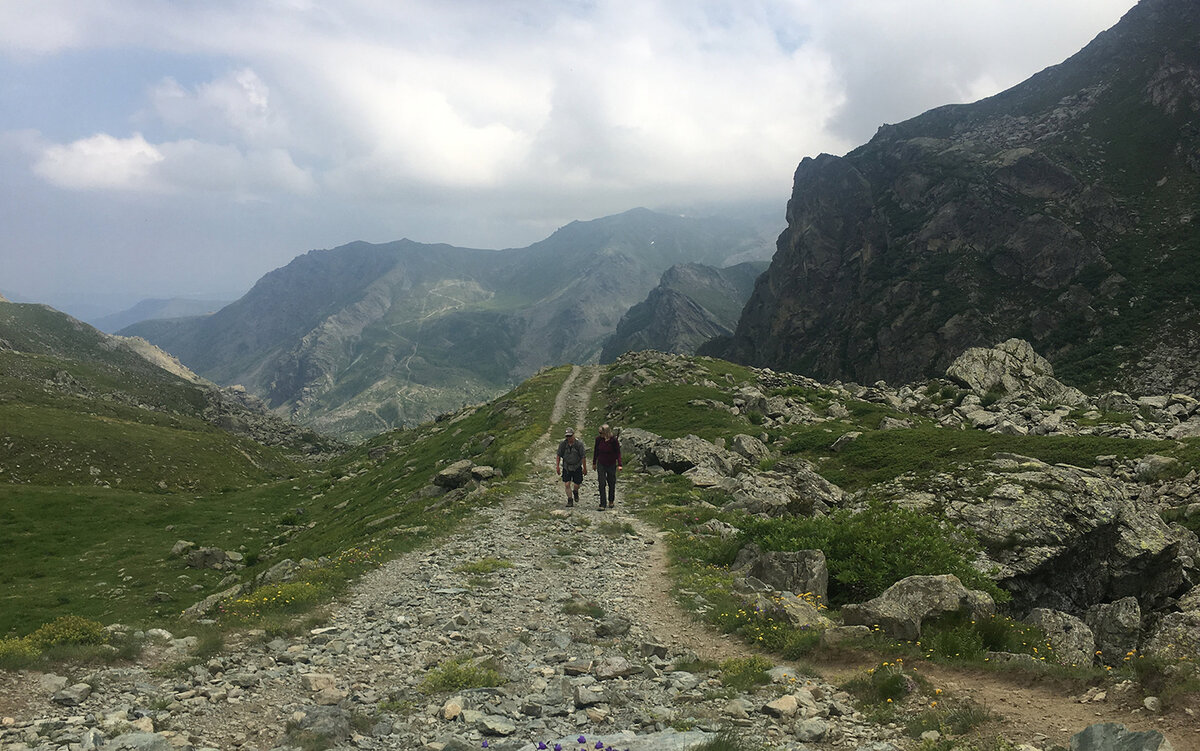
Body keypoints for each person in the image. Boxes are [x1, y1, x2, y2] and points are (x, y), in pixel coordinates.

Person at [555, 427, 587, 507]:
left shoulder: (579, 444)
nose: (568, 438)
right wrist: (557, 466)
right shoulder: (563, 444)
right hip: (567, 466)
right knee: (567, 484)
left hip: (577, 466)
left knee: (577, 484)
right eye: (567, 436)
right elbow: (558, 455)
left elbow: (583, 456)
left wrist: (585, 468)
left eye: (570, 436)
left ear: (573, 435)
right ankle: (570, 500)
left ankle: (575, 492)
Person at [593, 423, 622, 510]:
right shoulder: (598, 440)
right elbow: (596, 451)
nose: (600, 434)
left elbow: (618, 453)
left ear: (606, 432)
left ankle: (611, 500)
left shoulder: (613, 440)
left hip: (611, 463)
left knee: (611, 482)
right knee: (601, 483)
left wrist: (620, 464)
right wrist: (594, 462)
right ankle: (602, 503)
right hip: (601, 463)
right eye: (599, 433)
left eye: (601, 433)